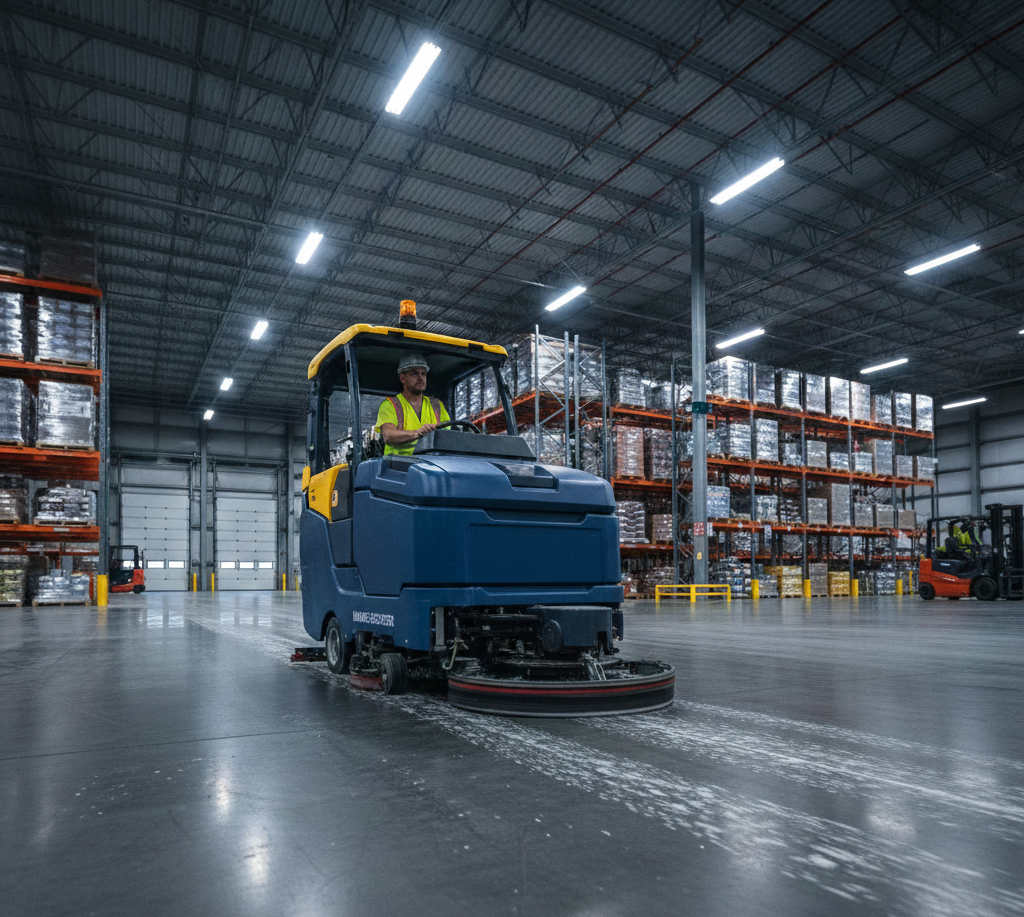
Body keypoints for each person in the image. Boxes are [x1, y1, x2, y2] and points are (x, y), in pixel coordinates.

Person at [375, 352, 450, 456]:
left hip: (432, 465)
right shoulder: (390, 405)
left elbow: (448, 436)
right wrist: (417, 432)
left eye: (423, 374)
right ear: (402, 378)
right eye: (414, 373)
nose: (420, 378)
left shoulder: (437, 406)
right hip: (397, 467)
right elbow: (388, 436)